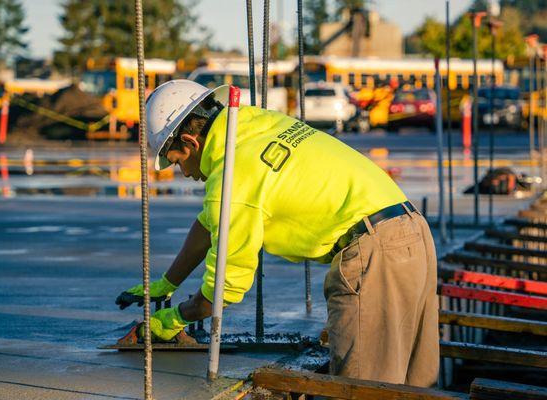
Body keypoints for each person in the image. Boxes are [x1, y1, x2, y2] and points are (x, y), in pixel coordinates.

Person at [115, 79, 439, 387]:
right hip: (412, 233)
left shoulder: (234, 172)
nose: (184, 173)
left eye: (178, 161)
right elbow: (209, 223)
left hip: (375, 255)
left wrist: (171, 320)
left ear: (190, 142)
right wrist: (167, 283)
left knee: (361, 389)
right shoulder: (254, 124)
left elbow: (224, 288)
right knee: (414, 386)